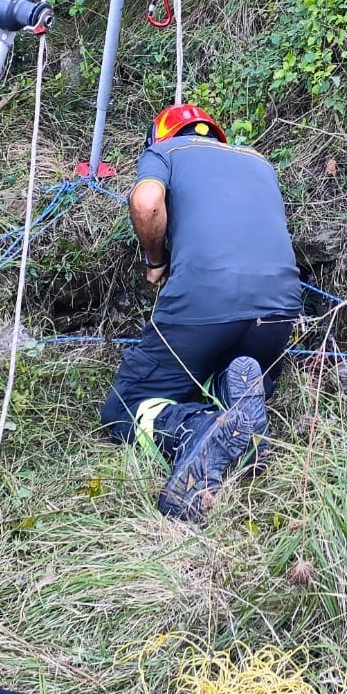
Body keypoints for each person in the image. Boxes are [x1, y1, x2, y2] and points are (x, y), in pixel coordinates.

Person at [100, 103, 301, 519]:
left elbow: (147, 202)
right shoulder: (259, 162)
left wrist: (155, 261)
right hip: (280, 309)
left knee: (123, 407)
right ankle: (235, 391)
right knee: (211, 367)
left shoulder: (166, 152)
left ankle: (197, 430)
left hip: (206, 301)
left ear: (161, 136)